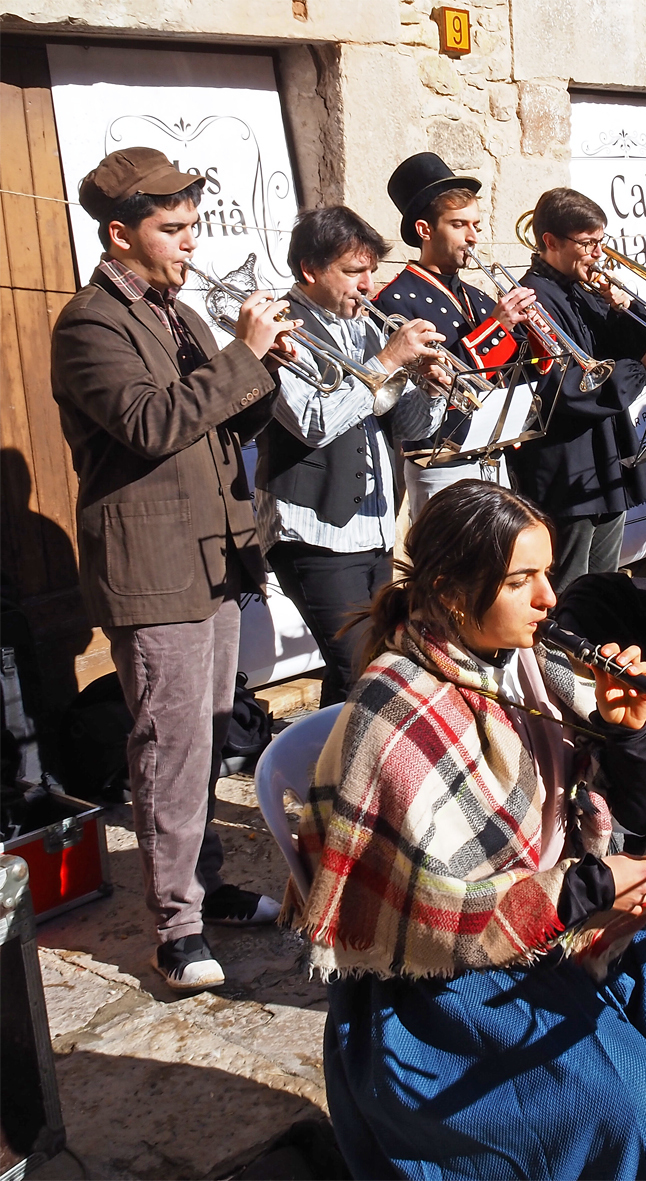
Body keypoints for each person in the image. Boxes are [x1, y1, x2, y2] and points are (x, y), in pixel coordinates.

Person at [292, 480, 646, 1180]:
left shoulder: (528, 667)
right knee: (630, 1105)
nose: (550, 597)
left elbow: (630, 817)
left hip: (561, 916)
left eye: (547, 573)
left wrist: (623, 728)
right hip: (442, 980)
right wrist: (589, 886)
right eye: (524, 580)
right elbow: (430, 915)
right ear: (455, 592)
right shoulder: (392, 710)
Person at [52, 148, 291, 990]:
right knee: (171, 747)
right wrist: (242, 355)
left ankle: (208, 885)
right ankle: (174, 927)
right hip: (153, 567)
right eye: (174, 229)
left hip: (213, 555)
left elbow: (228, 424)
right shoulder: (90, 324)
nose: (192, 243)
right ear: (120, 234)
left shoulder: (179, 314)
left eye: (194, 226)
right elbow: (151, 424)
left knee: (212, 732)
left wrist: (266, 365)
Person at [254, 206, 450, 706]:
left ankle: (328, 777)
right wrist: (387, 362)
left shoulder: (365, 326)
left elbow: (410, 430)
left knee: (370, 666)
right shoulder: (279, 328)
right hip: (314, 528)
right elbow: (313, 423)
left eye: (370, 270)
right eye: (352, 271)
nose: (366, 284)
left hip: (377, 524)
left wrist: (429, 390)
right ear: (309, 271)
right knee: (359, 667)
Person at [508, 188, 646, 588]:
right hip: (567, 472)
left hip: (606, 463)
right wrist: (641, 371)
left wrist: (623, 309)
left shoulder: (583, 291)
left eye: (600, 242)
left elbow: (637, 344)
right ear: (550, 242)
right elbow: (564, 388)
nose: (598, 254)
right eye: (587, 243)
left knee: (604, 589)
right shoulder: (532, 300)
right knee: (569, 590)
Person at [376, 152, 539, 513]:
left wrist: (537, 338)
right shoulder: (395, 301)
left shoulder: (477, 297)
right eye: (459, 225)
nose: (472, 237)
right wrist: (497, 328)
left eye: (476, 225)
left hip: (493, 460)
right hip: (441, 465)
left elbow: (511, 377)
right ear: (425, 230)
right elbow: (442, 381)